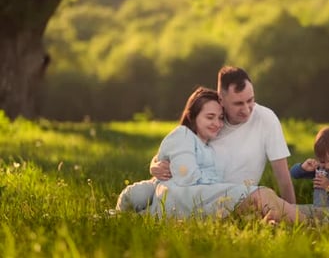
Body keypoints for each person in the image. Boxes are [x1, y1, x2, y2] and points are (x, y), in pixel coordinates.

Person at [119, 87, 305, 222]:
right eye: (210, 117)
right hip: (184, 200)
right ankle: (317, 221)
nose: (217, 123)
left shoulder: (207, 145)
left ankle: (318, 217)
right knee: (262, 196)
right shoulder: (183, 134)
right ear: (193, 116)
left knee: (265, 200)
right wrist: (156, 165)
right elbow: (187, 177)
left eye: (220, 118)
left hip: (198, 200)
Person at [150, 66, 296, 204]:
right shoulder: (210, 120)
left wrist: (291, 209)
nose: (246, 110)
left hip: (240, 198)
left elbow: (283, 176)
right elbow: (179, 146)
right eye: (238, 103)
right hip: (204, 198)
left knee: (271, 202)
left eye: (250, 100)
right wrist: (155, 164)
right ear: (221, 99)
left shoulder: (266, 119)